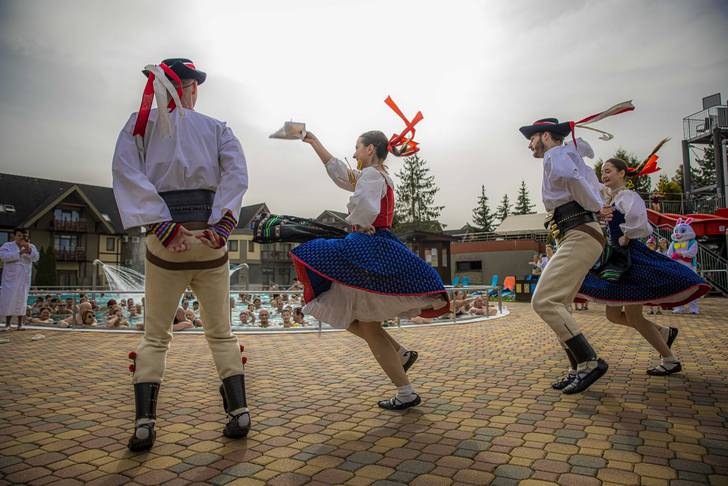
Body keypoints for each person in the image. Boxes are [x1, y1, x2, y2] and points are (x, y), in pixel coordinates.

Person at [112, 58, 250, 451]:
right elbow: (236, 176)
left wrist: (162, 225)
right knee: (220, 332)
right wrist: (222, 226)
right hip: (209, 239)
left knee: (156, 336)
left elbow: (125, 172)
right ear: (192, 88)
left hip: (166, 241)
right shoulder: (218, 128)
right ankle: (239, 412)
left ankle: (144, 424)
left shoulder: (139, 126)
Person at [291, 105, 449, 410]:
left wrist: (361, 224)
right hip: (376, 246)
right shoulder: (376, 174)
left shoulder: (372, 176)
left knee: (361, 317)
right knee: (357, 319)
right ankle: (401, 355)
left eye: (357, 147)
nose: (354, 153)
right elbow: (341, 174)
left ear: (370, 149)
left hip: (369, 246)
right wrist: (314, 142)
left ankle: (406, 392)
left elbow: (364, 205)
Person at [577, 158, 710, 375]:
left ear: (622, 173)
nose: (604, 175)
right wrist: (575, 154)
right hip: (615, 260)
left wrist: (627, 236)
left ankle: (669, 359)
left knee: (634, 317)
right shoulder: (609, 196)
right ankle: (663, 332)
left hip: (631, 259)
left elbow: (640, 220)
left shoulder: (628, 196)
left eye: (608, 171)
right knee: (613, 316)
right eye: (602, 171)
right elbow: (590, 181)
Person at [519, 116, 610, 394]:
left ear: (546, 136)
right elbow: (583, 179)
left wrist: (594, 205)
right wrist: (595, 204)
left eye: (532, 138)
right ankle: (576, 368)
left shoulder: (555, 155)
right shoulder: (566, 155)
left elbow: (574, 179)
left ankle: (588, 362)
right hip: (578, 233)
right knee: (559, 303)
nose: (530, 145)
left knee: (544, 300)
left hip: (579, 232)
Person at [0, 228, 39, 331]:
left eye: (24, 236)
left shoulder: (31, 246)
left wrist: (28, 250)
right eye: (19, 235)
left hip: (24, 279)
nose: (21, 238)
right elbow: (3, 257)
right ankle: (7, 324)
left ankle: (20, 324)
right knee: (9, 300)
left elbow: (36, 258)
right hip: (10, 279)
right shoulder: (7, 246)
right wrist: (20, 252)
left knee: (22, 300)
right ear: (14, 236)